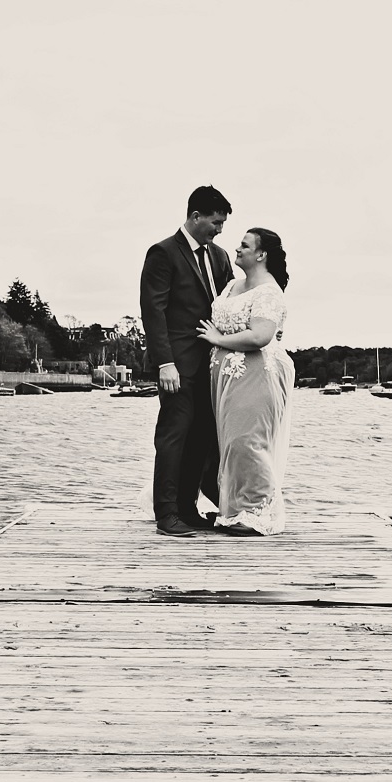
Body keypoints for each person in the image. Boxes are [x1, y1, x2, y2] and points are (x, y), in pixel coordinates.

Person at [138, 185, 233, 537]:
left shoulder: (221, 257)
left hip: (212, 365)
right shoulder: (162, 253)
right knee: (173, 435)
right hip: (176, 365)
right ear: (195, 216)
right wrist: (165, 363)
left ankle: (188, 508)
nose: (219, 229)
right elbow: (154, 311)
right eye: (215, 222)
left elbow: (231, 303)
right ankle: (165, 513)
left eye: (222, 224)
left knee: (203, 438)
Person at [199, 226, 293, 535]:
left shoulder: (268, 291)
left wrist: (217, 338)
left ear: (261, 254)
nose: (237, 250)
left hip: (255, 375)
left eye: (244, 245)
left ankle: (257, 514)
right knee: (224, 445)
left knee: (246, 442)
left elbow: (261, 336)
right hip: (223, 377)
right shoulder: (231, 286)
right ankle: (234, 509)